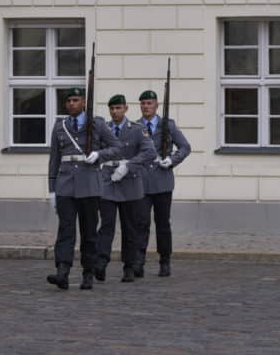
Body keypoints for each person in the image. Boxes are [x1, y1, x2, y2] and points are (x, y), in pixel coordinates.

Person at [46, 87, 122, 291]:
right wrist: (52, 189)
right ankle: (62, 271)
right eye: (69, 100)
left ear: (83, 102)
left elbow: (117, 147)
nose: (71, 103)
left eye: (76, 100)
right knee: (65, 230)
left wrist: (99, 155)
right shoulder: (59, 125)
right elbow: (54, 159)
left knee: (89, 232)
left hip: (89, 185)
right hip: (65, 185)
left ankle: (88, 272)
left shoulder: (97, 124)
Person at [95, 94, 156, 283]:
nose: (115, 112)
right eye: (112, 108)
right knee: (106, 226)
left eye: (118, 108)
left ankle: (129, 267)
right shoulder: (104, 128)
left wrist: (128, 166)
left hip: (130, 182)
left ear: (126, 109)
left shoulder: (137, 130)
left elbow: (149, 152)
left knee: (130, 228)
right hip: (107, 181)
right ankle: (101, 263)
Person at [135, 90, 191, 278]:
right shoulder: (135, 126)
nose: (145, 107)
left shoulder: (168, 125)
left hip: (162, 181)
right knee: (141, 223)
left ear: (157, 105)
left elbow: (185, 147)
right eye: (142, 103)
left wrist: (172, 160)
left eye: (149, 103)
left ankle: (164, 261)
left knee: (162, 224)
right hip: (141, 182)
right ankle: (138, 261)